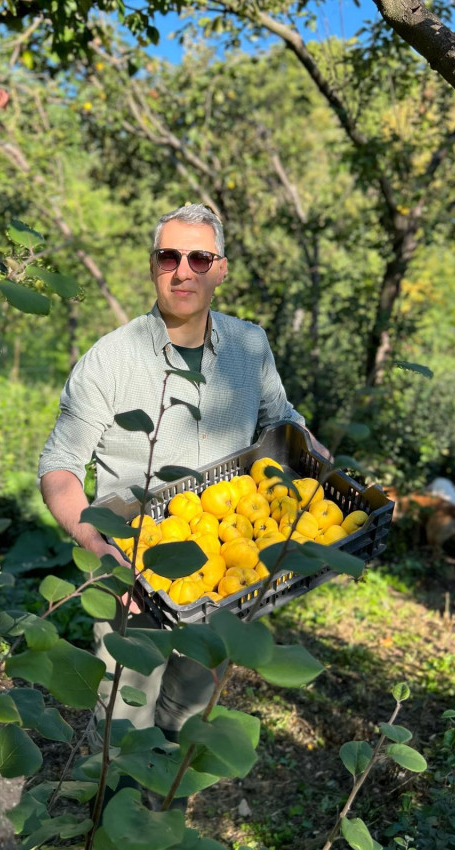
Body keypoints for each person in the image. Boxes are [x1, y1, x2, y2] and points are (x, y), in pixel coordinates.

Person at [39, 202, 325, 746]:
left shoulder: (249, 345)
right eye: (169, 256)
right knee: (122, 723)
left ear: (221, 269)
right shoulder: (109, 360)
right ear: (153, 266)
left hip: (229, 571)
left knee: (190, 706)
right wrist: (100, 552)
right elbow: (60, 466)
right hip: (137, 572)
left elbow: (280, 419)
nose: (183, 270)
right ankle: (116, 815)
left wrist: (312, 447)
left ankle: (164, 795)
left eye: (200, 258)